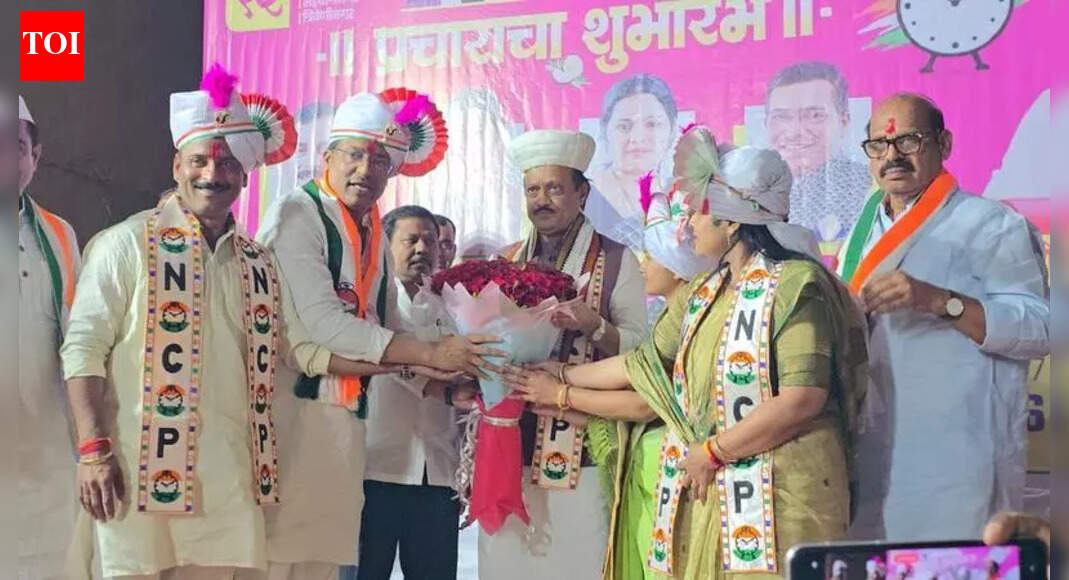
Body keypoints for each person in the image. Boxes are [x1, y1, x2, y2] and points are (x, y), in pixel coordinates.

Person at [59, 68, 480, 580]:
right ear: (176, 165)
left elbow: (303, 350)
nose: (213, 174)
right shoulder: (125, 245)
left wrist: (437, 378)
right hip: (140, 471)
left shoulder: (255, 261)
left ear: (245, 176)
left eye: (228, 163)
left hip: (231, 482)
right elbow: (82, 348)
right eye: (200, 160)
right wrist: (93, 451)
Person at [505, 133, 868, 579]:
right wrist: (559, 375)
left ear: (730, 222)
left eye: (697, 212)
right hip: (717, 484)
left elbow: (802, 398)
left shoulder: (797, 284)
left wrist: (714, 450)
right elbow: (641, 364)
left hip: (787, 489)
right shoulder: (705, 290)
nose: (688, 225)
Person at [257, 89, 495, 578]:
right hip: (289, 415)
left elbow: (386, 329)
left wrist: (447, 379)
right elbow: (324, 325)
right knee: (287, 559)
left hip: (342, 425)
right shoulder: (297, 214)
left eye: (381, 161)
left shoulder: (368, 229)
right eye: (355, 154)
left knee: (320, 561)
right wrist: (433, 355)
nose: (366, 169)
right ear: (327, 158)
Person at [840, 93, 1049, 541]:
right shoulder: (862, 229)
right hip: (873, 452)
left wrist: (939, 300)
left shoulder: (991, 223)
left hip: (957, 459)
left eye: (909, 141)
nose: (892, 156)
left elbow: (1040, 328)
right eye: (879, 145)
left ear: (945, 144)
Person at [508, 182, 710, 580]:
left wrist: (561, 392)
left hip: (673, 466)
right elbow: (634, 368)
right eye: (532, 189)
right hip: (651, 466)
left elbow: (644, 399)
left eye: (651, 255)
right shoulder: (678, 315)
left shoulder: (688, 310)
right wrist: (560, 377)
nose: (642, 263)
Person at [478, 129, 648, 580]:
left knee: (577, 562)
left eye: (554, 188)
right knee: (507, 564)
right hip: (510, 442)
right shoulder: (504, 261)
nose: (542, 200)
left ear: (582, 193)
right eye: (533, 190)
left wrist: (594, 326)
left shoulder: (617, 260)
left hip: (582, 443)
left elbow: (641, 353)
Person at [357, 205, 475, 580]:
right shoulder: (369, 300)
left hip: (438, 474)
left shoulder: (457, 305)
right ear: (385, 245)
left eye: (430, 240)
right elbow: (385, 356)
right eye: (410, 240)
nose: (422, 248)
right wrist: (440, 386)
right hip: (376, 468)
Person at [17, 94, 83, 580]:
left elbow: (78, 337)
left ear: (35, 157)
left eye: (14, 146)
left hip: (45, 451)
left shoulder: (59, 235)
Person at [764, 62, 872, 253]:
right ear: (766, 123)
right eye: (782, 117)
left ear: (843, 122)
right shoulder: (751, 194)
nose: (794, 132)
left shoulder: (867, 190)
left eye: (814, 116)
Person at [586, 74, 680, 251]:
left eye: (652, 124)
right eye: (623, 126)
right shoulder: (586, 195)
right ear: (605, 131)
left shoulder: (683, 197)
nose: (637, 138)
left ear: (672, 130)